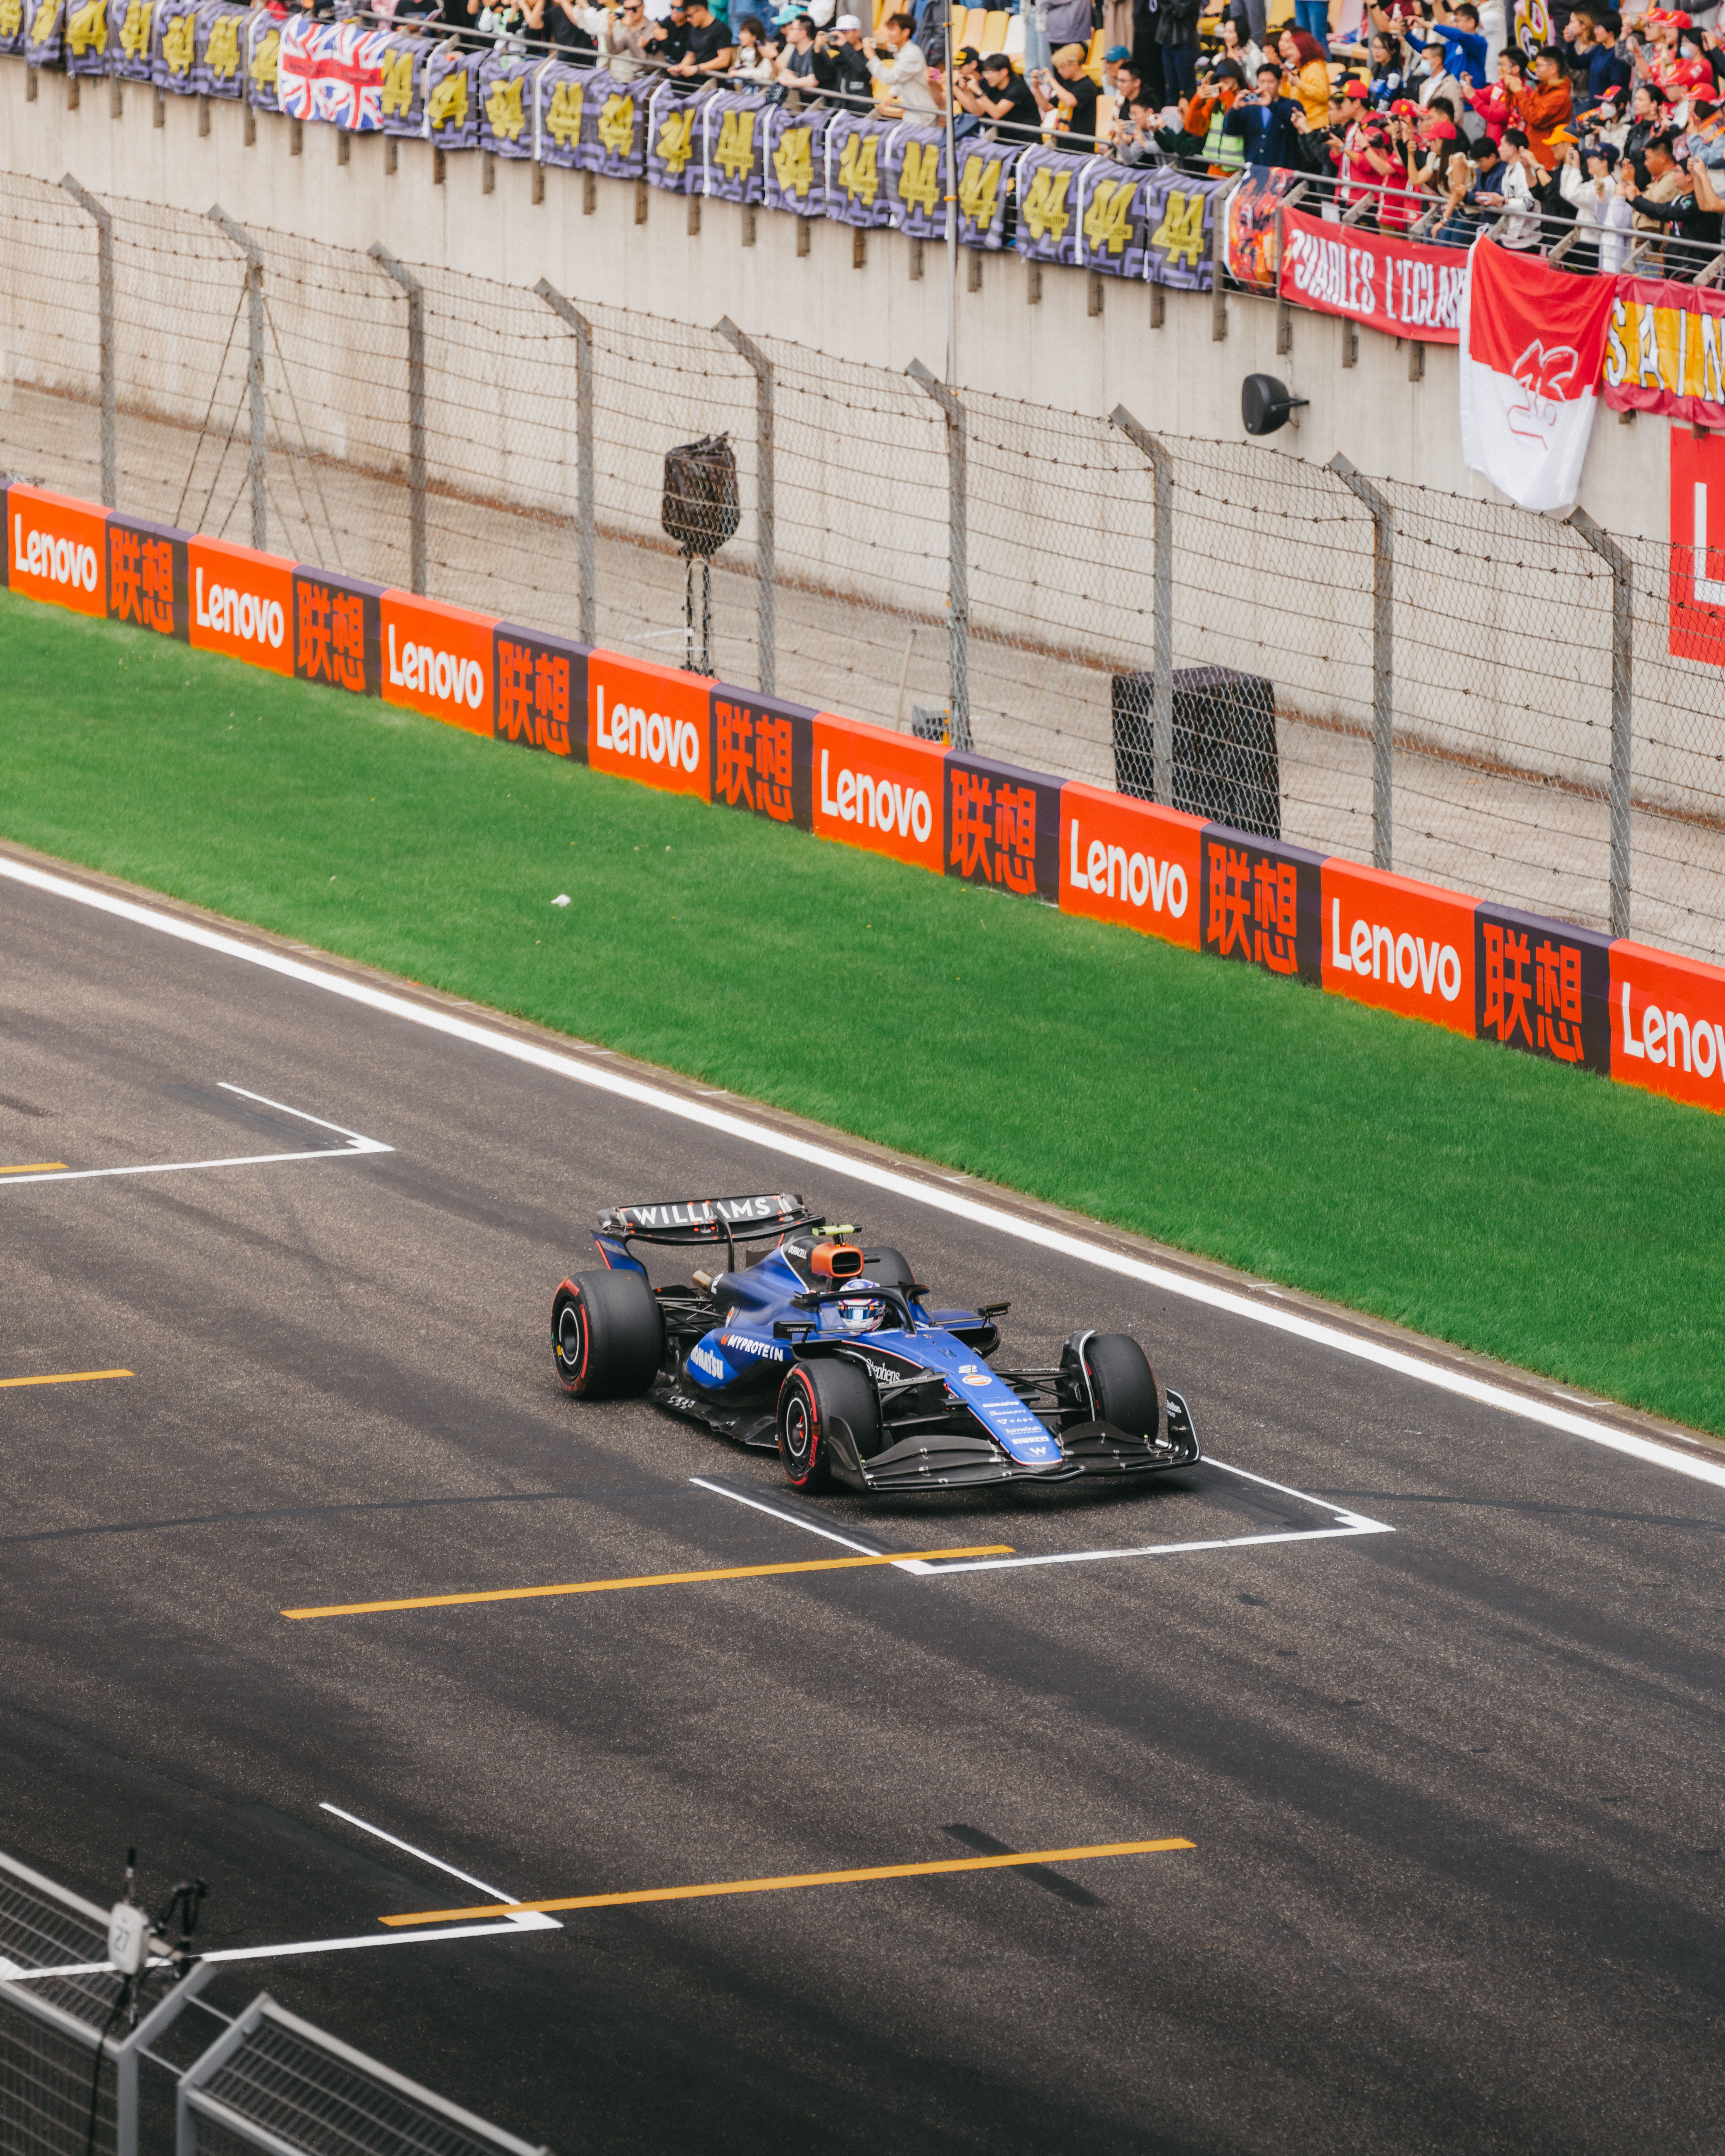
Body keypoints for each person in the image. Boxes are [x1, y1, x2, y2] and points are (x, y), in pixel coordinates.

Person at [1559, 135, 1635, 261]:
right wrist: (1568, 167)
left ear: (1604, 162)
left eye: (1593, 157)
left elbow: (1573, 193)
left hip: (1593, 245)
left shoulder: (1608, 185)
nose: (1588, 160)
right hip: (1585, 242)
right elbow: (1566, 193)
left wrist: (1576, 168)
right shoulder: (1595, 182)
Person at [1225, 56, 1306, 160]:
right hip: (1255, 169)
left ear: (1280, 83)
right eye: (1262, 82)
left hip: (1282, 171)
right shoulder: (1250, 106)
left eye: (1271, 82)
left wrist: (1272, 104)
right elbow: (1230, 130)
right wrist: (1235, 109)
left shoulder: (1293, 104)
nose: (1265, 86)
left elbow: (1297, 124)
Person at [1512, 42, 1574, 161]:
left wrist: (1520, 92)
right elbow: (1525, 112)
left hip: (1548, 157)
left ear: (1553, 69)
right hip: (1534, 152)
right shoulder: (1541, 90)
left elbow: (1536, 119)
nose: (1535, 71)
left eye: (1539, 66)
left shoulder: (1560, 96)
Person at [1032, 40, 1103, 133]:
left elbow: (1071, 101)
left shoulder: (1088, 86)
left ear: (1075, 64)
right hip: (1061, 141)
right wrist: (1037, 88)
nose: (1059, 72)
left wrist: (1052, 81)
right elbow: (1047, 107)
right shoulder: (1067, 84)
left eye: (1062, 67)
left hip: (1078, 144)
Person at [970, 47, 1044, 134]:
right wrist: (966, 91)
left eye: (990, 72)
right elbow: (978, 112)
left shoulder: (1018, 88)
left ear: (1004, 72)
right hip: (1002, 140)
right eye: (985, 72)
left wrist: (979, 92)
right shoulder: (991, 85)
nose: (986, 77)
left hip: (1024, 141)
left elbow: (997, 114)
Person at [1280, 25, 1334, 119]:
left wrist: (1299, 83)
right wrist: (1284, 82)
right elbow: (1286, 98)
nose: (1288, 53)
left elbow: (1323, 95)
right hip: (1301, 124)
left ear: (1302, 49)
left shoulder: (1315, 67)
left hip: (1316, 126)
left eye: (1291, 49)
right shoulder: (1298, 71)